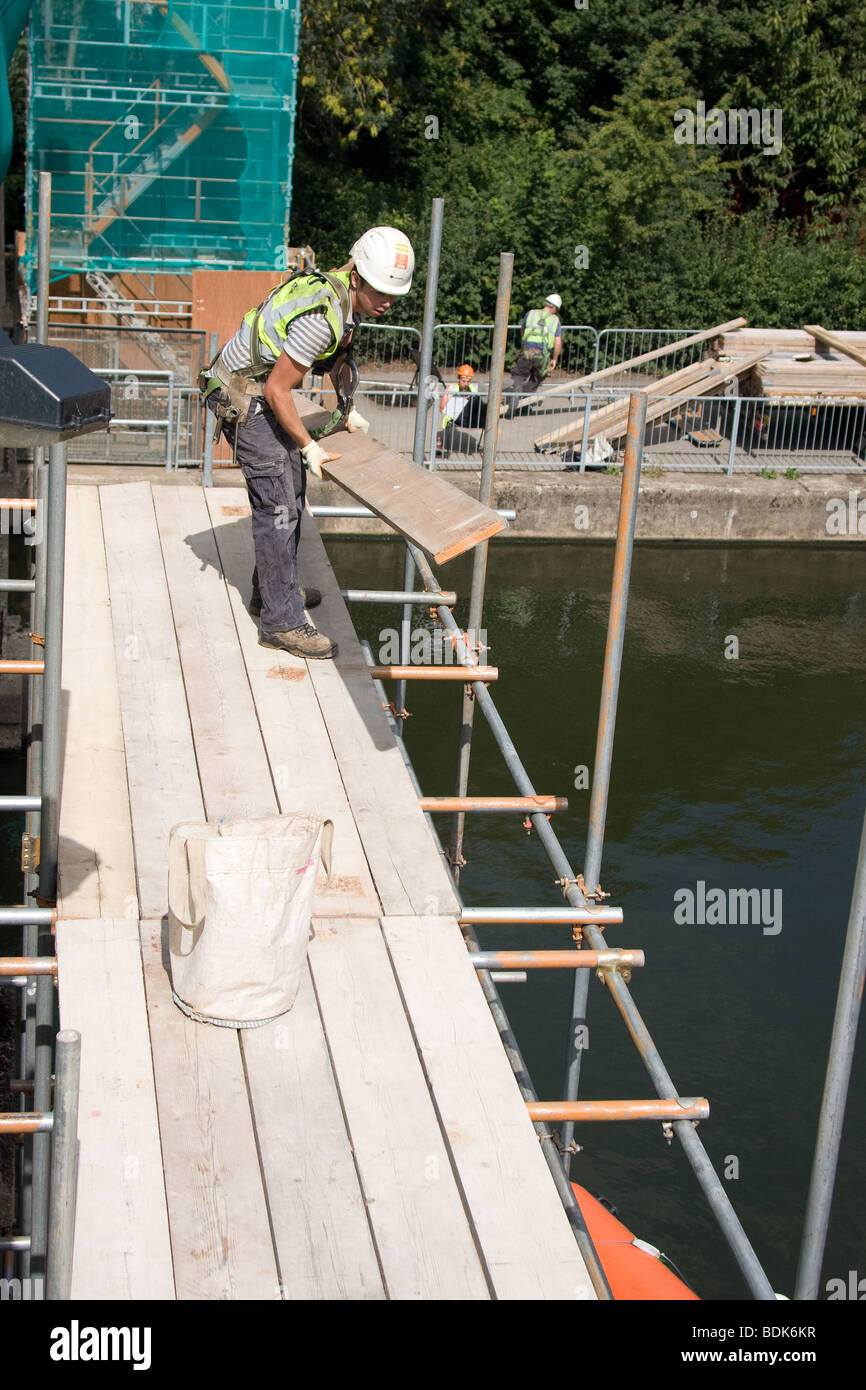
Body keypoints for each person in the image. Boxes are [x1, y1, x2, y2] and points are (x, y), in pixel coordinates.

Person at [201, 226, 415, 658]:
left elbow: (335, 361)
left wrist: (345, 405)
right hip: (242, 395)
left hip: (259, 391)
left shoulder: (344, 302)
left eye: (395, 293)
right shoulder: (323, 316)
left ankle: (273, 593)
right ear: (357, 277)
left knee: (291, 490)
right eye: (380, 291)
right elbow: (280, 390)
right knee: (277, 503)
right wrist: (309, 445)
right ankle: (281, 623)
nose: (388, 301)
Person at [510, 293, 563, 402]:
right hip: (542, 355)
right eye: (556, 309)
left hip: (527, 351)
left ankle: (517, 391)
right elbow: (558, 343)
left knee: (519, 374)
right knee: (537, 378)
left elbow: (523, 330)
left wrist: (525, 344)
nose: (556, 312)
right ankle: (524, 400)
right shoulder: (555, 320)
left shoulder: (531, 313)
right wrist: (555, 359)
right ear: (553, 307)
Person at [436, 363, 488, 456]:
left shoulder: (472, 389)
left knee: (479, 402)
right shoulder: (451, 389)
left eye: (468, 381)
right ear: (458, 379)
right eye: (464, 381)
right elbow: (441, 408)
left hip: (473, 419)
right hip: (457, 417)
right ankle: (484, 399)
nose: (466, 384)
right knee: (474, 399)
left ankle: (492, 402)